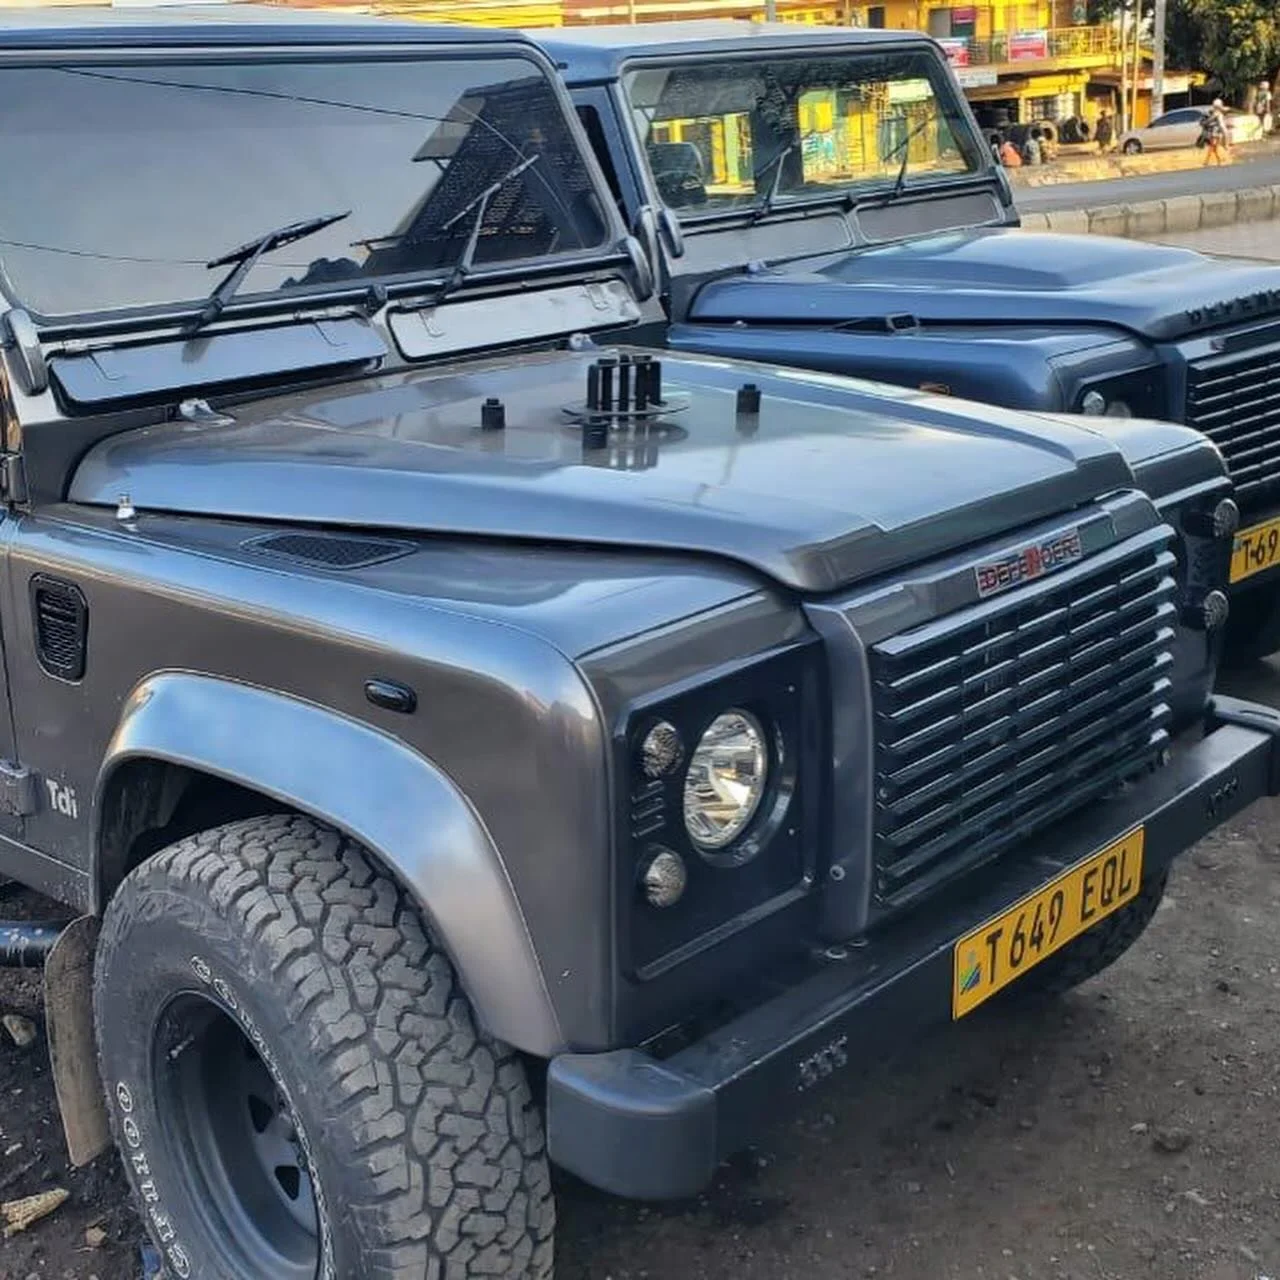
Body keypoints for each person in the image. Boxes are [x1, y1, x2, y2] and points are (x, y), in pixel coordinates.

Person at [1199, 99, 1230, 165]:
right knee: (1213, 146)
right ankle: (1217, 160)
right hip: (1218, 131)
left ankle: (1210, 161)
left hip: (1216, 132)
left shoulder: (1217, 113)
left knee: (1213, 146)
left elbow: (1209, 120)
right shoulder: (1219, 112)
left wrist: (1205, 123)